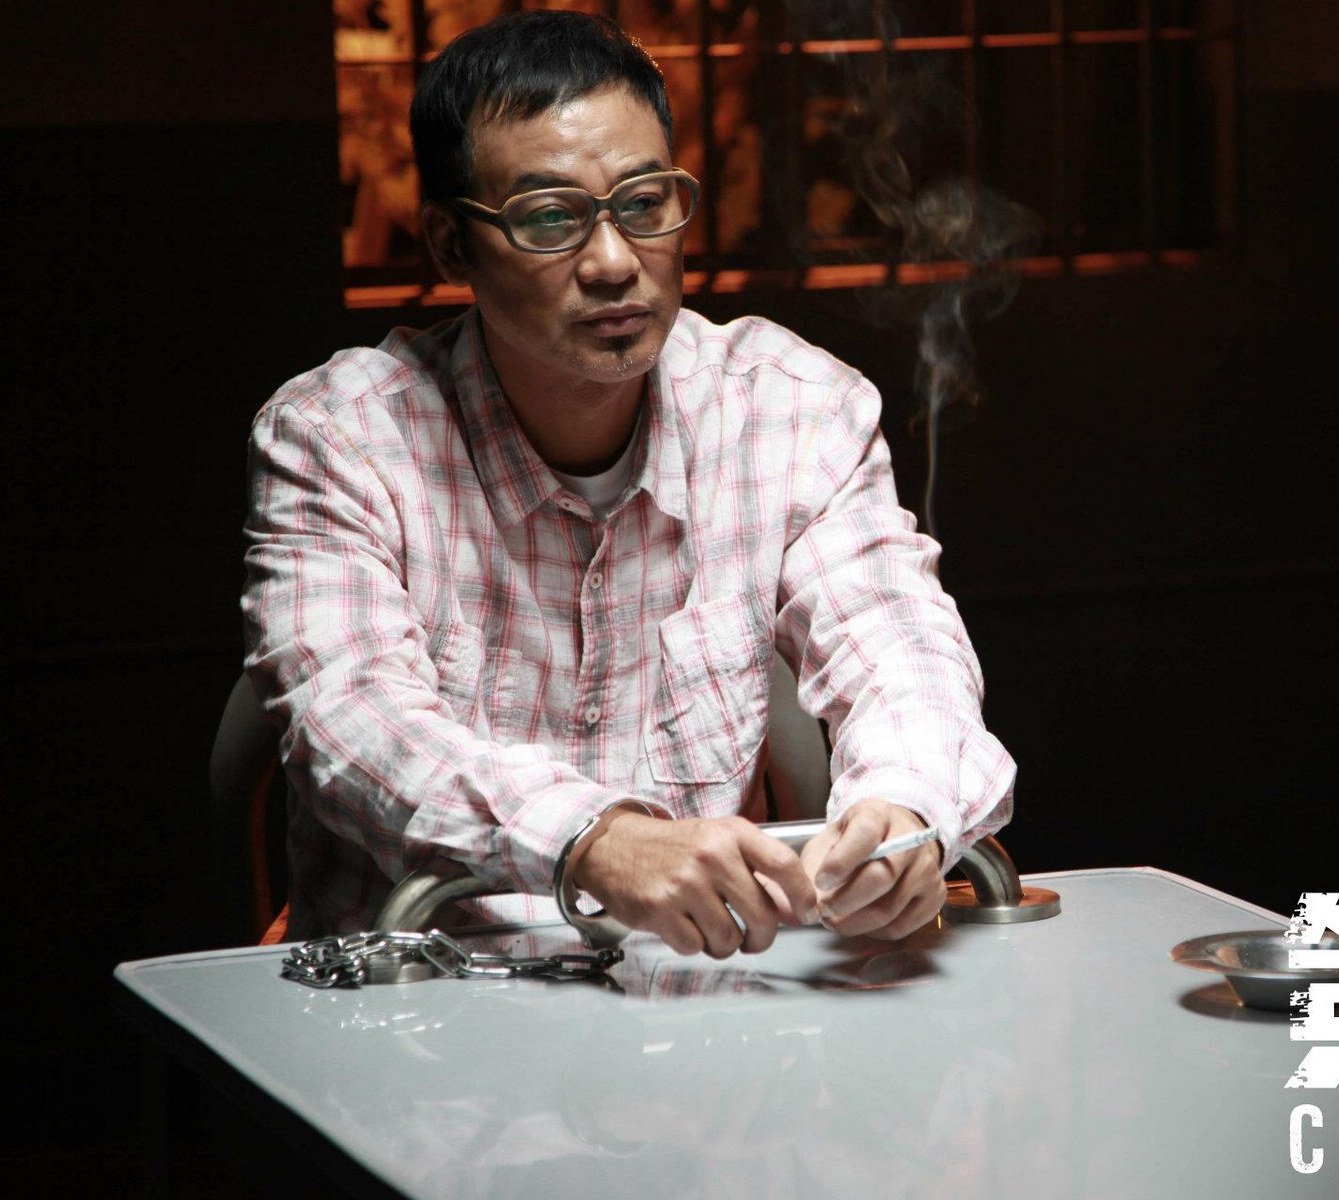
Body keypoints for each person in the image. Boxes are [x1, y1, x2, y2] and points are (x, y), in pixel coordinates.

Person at [242, 10, 1013, 958]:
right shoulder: (341, 435)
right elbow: (353, 717)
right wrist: (595, 841)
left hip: (701, 991)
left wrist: (904, 806)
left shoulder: (791, 408)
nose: (613, 263)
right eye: (549, 217)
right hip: (426, 984)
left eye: (644, 205)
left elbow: (899, 645)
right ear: (449, 244)